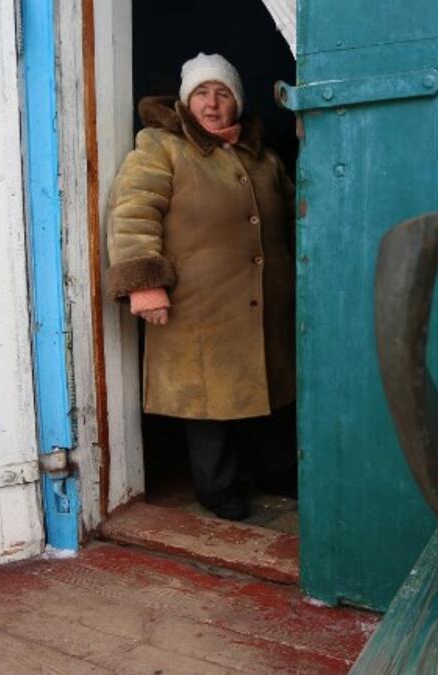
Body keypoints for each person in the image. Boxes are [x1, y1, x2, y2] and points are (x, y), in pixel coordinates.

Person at [106, 53, 297, 520]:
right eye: (202, 94)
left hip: (265, 302)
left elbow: (296, 215)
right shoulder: (161, 147)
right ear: (186, 101)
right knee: (209, 401)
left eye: (223, 93)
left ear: (238, 102)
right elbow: (133, 214)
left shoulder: (264, 158)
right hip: (199, 303)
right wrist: (145, 285)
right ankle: (217, 489)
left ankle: (275, 474)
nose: (212, 104)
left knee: (268, 394)